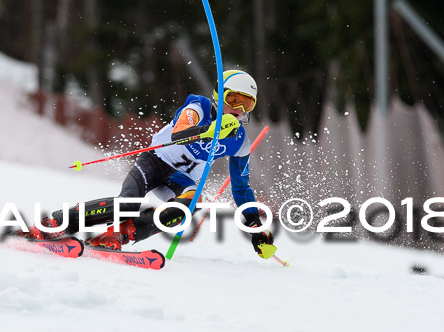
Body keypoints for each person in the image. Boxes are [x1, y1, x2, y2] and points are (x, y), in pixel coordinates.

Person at [21, 70, 275, 259]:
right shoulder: (198, 105)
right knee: (128, 202)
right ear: (219, 94)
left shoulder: (240, 142)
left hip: (181, 179)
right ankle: (57, 223)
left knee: (188, 207)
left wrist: (256, 227)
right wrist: (210, 130)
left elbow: (241, 188)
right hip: (155, 162)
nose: (238, 109)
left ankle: (122, 234)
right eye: (233, 100)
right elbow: (180, 132)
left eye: (246, 103)